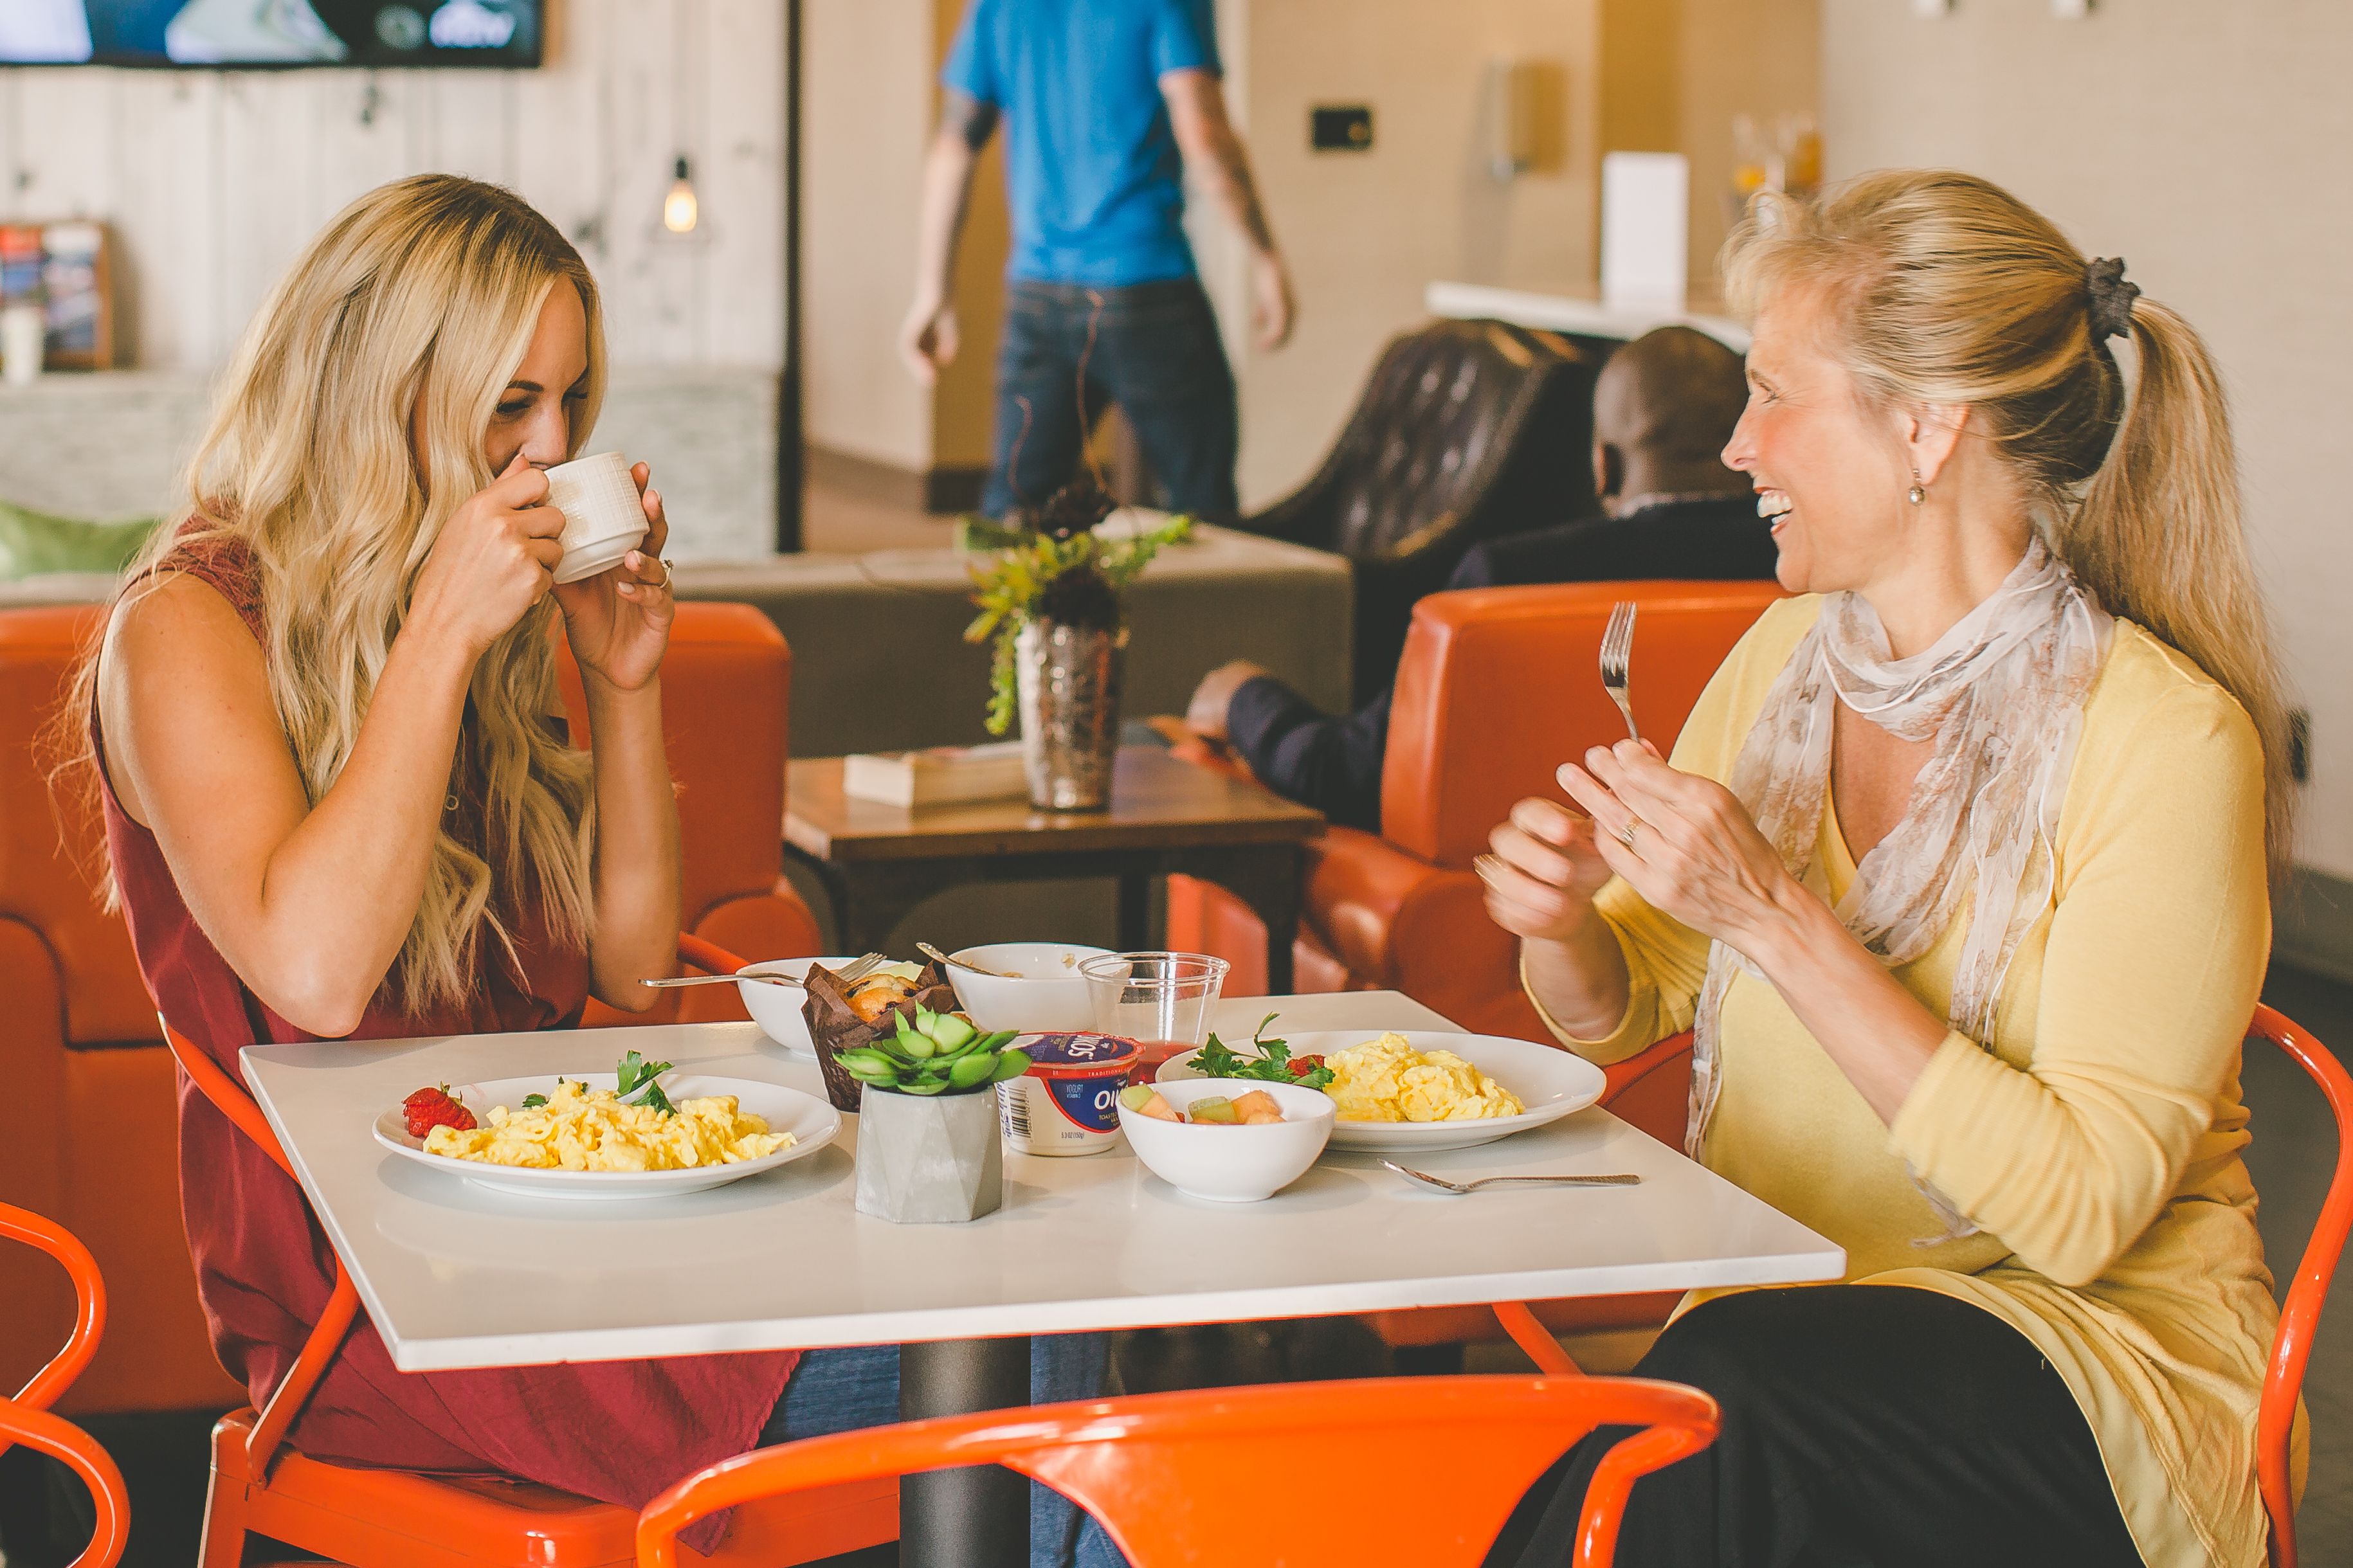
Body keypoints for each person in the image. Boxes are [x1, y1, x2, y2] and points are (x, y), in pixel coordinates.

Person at [73, 175, 1118, 1567]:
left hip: (573, 1226)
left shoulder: (465, 614)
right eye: (510, 405)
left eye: (569, 404)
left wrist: (622, 686)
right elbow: (316, 974)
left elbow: (629, 966)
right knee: (1047, 1358)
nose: (554, 446)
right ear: (379, 390)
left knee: (1067, 1302)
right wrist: (439, 638)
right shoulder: (189, 625)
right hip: (393, 1293)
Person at [1482, 171, 2288, 1567]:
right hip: (1782, 1315)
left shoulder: (2162, 737)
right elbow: (1635, 1000)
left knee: (1708, 1423)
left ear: (1923, 427)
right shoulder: (1786, 666)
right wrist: (1559, 924)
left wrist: (1771, 910)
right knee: (1695, 1422)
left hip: (2088, 1364)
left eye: (1770, 394)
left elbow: (2078, 1207)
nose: (1734, 447)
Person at [1183, 327, 1775, 830]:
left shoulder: (1509, 576)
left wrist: (1244, 698)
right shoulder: (1801, 572)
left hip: (1509, 889)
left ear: (1604, 465)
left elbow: (1352, 774)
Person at [900, 0, 1294, 523]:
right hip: (1145, 287)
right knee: (1201, 502)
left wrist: (933, 290)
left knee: (1016, 509)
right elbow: (1203, 132)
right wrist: (1265, 257)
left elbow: (954, 146)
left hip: (1038, 296)